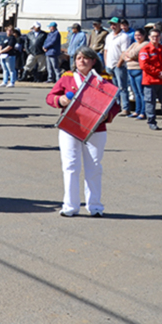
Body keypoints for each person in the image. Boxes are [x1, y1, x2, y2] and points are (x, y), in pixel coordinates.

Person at [46, 47, 119, 217]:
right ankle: (70, 206)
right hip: (70, 127)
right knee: (70, 166)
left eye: (86, 58)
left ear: (94, 61)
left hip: (96, 129)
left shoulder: (104, 79)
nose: (81, 61)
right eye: (79, 57)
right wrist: (60, 100)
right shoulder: (67, 77)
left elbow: (115, 103)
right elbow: (50, 97)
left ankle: (95, 206)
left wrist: (108, 115)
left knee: (94, 167)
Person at [139, 26, 162, 131]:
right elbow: (144, 65)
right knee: (150, 103)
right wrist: (158, 72)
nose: (155, 38)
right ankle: (152, 122)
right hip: (150, 81)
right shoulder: (145, 50)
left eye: (157, 36)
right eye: (153, 36)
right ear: (149, 37)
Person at [104, 17, 129, 114]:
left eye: (114, 24)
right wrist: (106, 63)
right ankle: (116, 106)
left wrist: (119, 64)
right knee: (114, 88)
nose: (112, 26)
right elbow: (106, 50)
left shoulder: (124, 36)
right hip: (109, 65)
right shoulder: (109, 36)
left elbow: (124, 52)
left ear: (120, 25)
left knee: (122, 87)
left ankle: (125, 107)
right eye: (111, 24)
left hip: (119, 66)